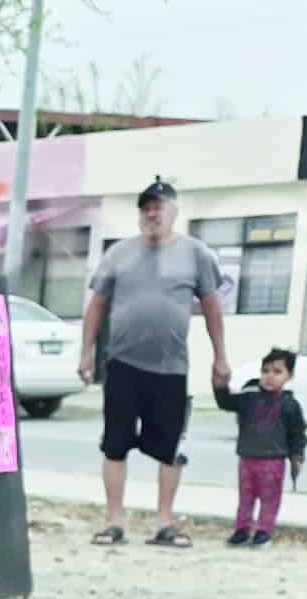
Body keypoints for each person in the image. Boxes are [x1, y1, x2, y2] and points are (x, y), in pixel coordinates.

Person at [79, 177, 232, 548]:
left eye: (159, 207)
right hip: (122, 364)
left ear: (174, 212)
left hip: (171, 367)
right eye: (146, 208)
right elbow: (97, 304)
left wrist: (220, 356)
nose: (152, 213)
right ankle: (114, 521)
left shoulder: (196, 253)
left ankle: (164, 523)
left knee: (169, 447)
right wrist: (86, 351)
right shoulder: (118, 254)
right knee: (114, 443)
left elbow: (212, 307)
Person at [216, 347, 307, 548]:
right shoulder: (248, 397)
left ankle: (263, 532)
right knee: (245, 498)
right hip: (247, 459)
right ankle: (242, 530)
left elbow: (297, 434)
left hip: (273, 461)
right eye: (265, 371)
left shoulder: (290, 405)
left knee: (269, 499)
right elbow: (225, 402)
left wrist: (297, 457)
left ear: (289, 376)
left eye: (277, 372)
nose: (270, 377)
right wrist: (219, 384)